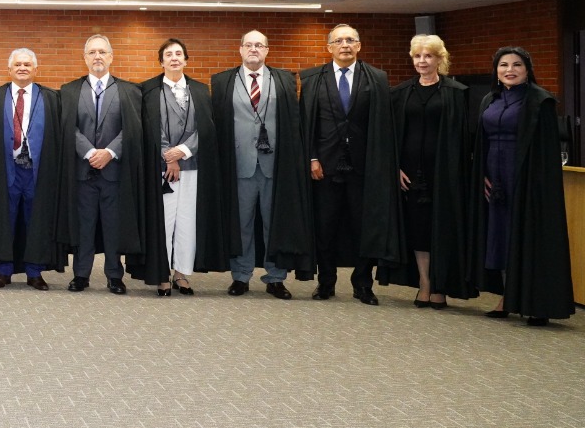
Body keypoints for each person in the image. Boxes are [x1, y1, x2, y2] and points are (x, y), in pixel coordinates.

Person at [474, 47, 574, 325]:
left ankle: (535, 303)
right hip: (495, 182)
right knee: (501, 238)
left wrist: (530, 183)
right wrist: (481, 173)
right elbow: (481, 141)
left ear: (527, 69)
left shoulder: (540, 101)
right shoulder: (490, 100)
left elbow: (546, 152)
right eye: (503, 65)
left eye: (517, 65)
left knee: (529, 238)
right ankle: (508, 296)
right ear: (496, 71)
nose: (510, 69)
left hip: (528, 181)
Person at [300, 24, 399, 305]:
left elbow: (381, 125)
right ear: (329, 47)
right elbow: (306, 122)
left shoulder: (377, 79)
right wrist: (312, 157)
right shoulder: (312, 79)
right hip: (324, 167)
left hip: (364, 167)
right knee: (325, 227)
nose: (345, 45)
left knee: (364, 226)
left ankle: (363, 284)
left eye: (350, 40)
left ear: (359, 46)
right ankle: (326, 282)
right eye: (339, 41)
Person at [211, 31, 312, 299]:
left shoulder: (285, 79)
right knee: (241, 223)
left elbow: (294, 122)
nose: (253, 49)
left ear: (267, 50)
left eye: (259, 45)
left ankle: (275, 277)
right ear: (240, 49)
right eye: (249, 45)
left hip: (274, 165)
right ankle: (241, 276)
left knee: (274, 223)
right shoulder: (223, 81)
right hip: (239, 165)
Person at [380, 35, 473, 308]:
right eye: (418, 56)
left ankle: (441, 285)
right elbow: (391, 137)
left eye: (428, 56)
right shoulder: (400, 93)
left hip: (444, 174)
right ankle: (425, 283)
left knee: (441, 229)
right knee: (418, 230)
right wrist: (395, 168)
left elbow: (464, 138)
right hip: (410, 175)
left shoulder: (456, 93)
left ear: (439, 59)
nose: (422, 61)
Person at [133, 38, 230, 296]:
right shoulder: (147, 91)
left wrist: (184, 151)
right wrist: (170, 157)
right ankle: (162, 275)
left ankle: (182, 274)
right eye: (168, 54)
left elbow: (206, 128)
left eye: (178, 54)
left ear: (186, 60)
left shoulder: (199, 90)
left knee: (188, 221)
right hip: (161, 169)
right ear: (161, 61)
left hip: (193, 166)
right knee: (163, 222)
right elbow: (148, 128)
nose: (174, 58)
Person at [0, 48, 65, 289]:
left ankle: (35, 272)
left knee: (36, 222)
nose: (22, 68)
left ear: (35, 69)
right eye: (18, 64)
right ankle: (3, 271)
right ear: (9, 69)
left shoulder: (51, 98)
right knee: (4, 220)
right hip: (6, 170)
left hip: (36, 171)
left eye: (27, 64)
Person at [60, 34, 145, 295]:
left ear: (111, 56)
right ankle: (81, 275)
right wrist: (88, 152)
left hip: (114, 171)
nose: (97, 56)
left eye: (102, 52)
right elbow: (68, 127)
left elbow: (132, 128)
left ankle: (114, 276)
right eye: (92, 52)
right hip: (82, 172)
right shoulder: (69, 90)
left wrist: (109, 152)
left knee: (113, 225)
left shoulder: (130, 91)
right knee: (84, 225)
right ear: (84, 58)